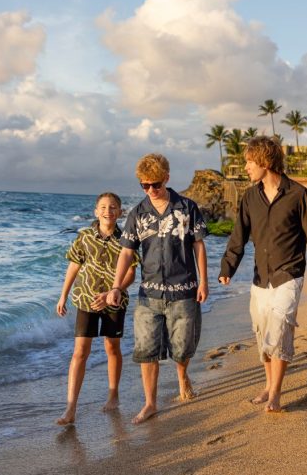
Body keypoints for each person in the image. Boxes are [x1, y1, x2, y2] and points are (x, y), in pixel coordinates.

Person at [219, 136, 307, 412]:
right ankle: (268, 385)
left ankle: (276, 394)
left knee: (279, 330)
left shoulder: (297, 194)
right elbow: (239, 236)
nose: (245, 167)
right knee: (262, 335)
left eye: (249, 161)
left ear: (265, 161)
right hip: (260, 278)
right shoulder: (249, 197)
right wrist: (227, 267)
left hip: (289, 274)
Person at [103, 154, 209, 425]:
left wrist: (204, 281)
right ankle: (150, 403)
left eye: (156, 185)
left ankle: (182, 375)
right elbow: (126, 253)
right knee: (146, 350)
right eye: (145, 185)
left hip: (184, 289)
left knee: (183, 348)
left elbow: (198, 245)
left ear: (167, 179)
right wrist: (116, 286)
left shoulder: (187, 208)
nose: (151, 190)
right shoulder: (138, 213)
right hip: (149, 294)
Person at [54, 192, 137, 425]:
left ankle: (113, 395)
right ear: (95, 211)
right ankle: (70, 407)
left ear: (120, 212)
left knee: (112, 347)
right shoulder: (85, 236)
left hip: (114, 300)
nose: (107, 211)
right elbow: (74, 266)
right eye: (103, 207)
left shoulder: (126, 239)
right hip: (86, 299)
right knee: (80, 351)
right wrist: (63, 296)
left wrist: (114, 291)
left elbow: (131, 272)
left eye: (113, 207)